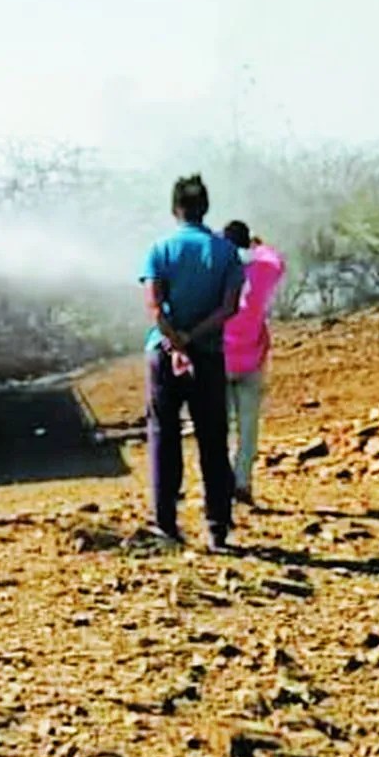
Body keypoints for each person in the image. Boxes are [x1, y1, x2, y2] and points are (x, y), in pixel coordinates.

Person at [139, 175, 244, 552]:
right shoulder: (226, 252)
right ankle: (217, 528)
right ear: (206, 208)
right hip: (209, 355)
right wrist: (194, 338)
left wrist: (175, 341)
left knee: (163, 436)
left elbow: (154, 307)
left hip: (163, 354)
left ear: (175, 209)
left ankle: (166, 525)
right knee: (213, 439)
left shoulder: (159, 249)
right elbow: (229, 307)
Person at [222, 222, 286, 507]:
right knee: (248, 427)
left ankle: (220, 483)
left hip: (219, 360)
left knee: (219, 428)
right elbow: (276, 259)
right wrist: (259, 246)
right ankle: (243, 482)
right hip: (252, 359)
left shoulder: (217, 273)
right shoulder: (263, 270)